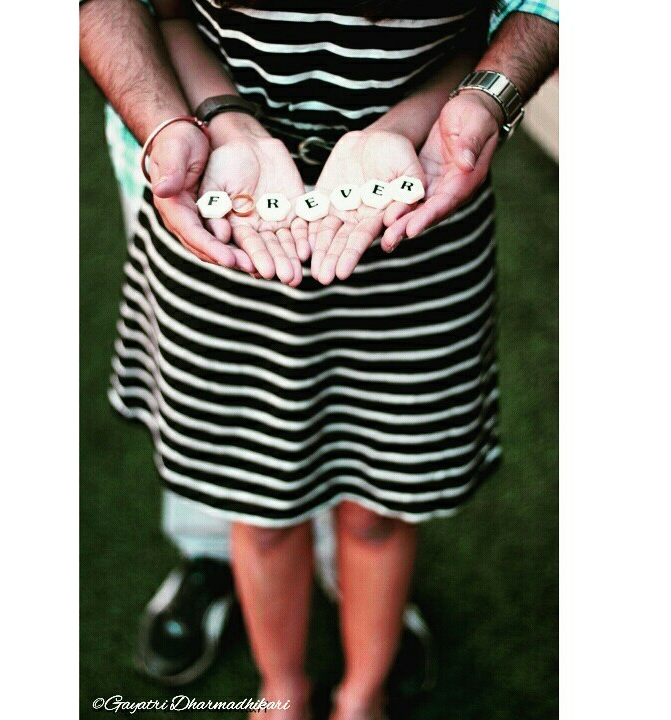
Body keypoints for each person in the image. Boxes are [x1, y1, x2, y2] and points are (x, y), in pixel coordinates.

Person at [80, 1, 558, 718]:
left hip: (413, 224)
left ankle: (363, 691)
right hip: (232, 216)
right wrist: (226, 121)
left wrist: (412, 125)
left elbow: (495, 21)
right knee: (260, 506)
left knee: (381, 507)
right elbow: (164, 12)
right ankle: (282, 689)